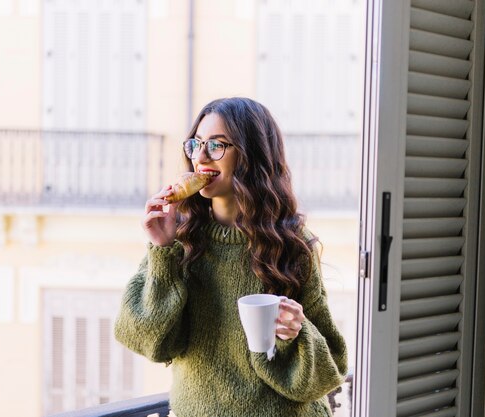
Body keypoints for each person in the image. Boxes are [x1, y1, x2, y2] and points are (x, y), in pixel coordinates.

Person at [114, 97, 348, 417]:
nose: (201, 156)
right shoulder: (179, 240)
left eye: (217, 145)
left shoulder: (293, 244)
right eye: (195, 144)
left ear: (251, 155)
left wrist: (297, 332)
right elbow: (146, 340)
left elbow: (329, 371)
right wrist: (161, 251)